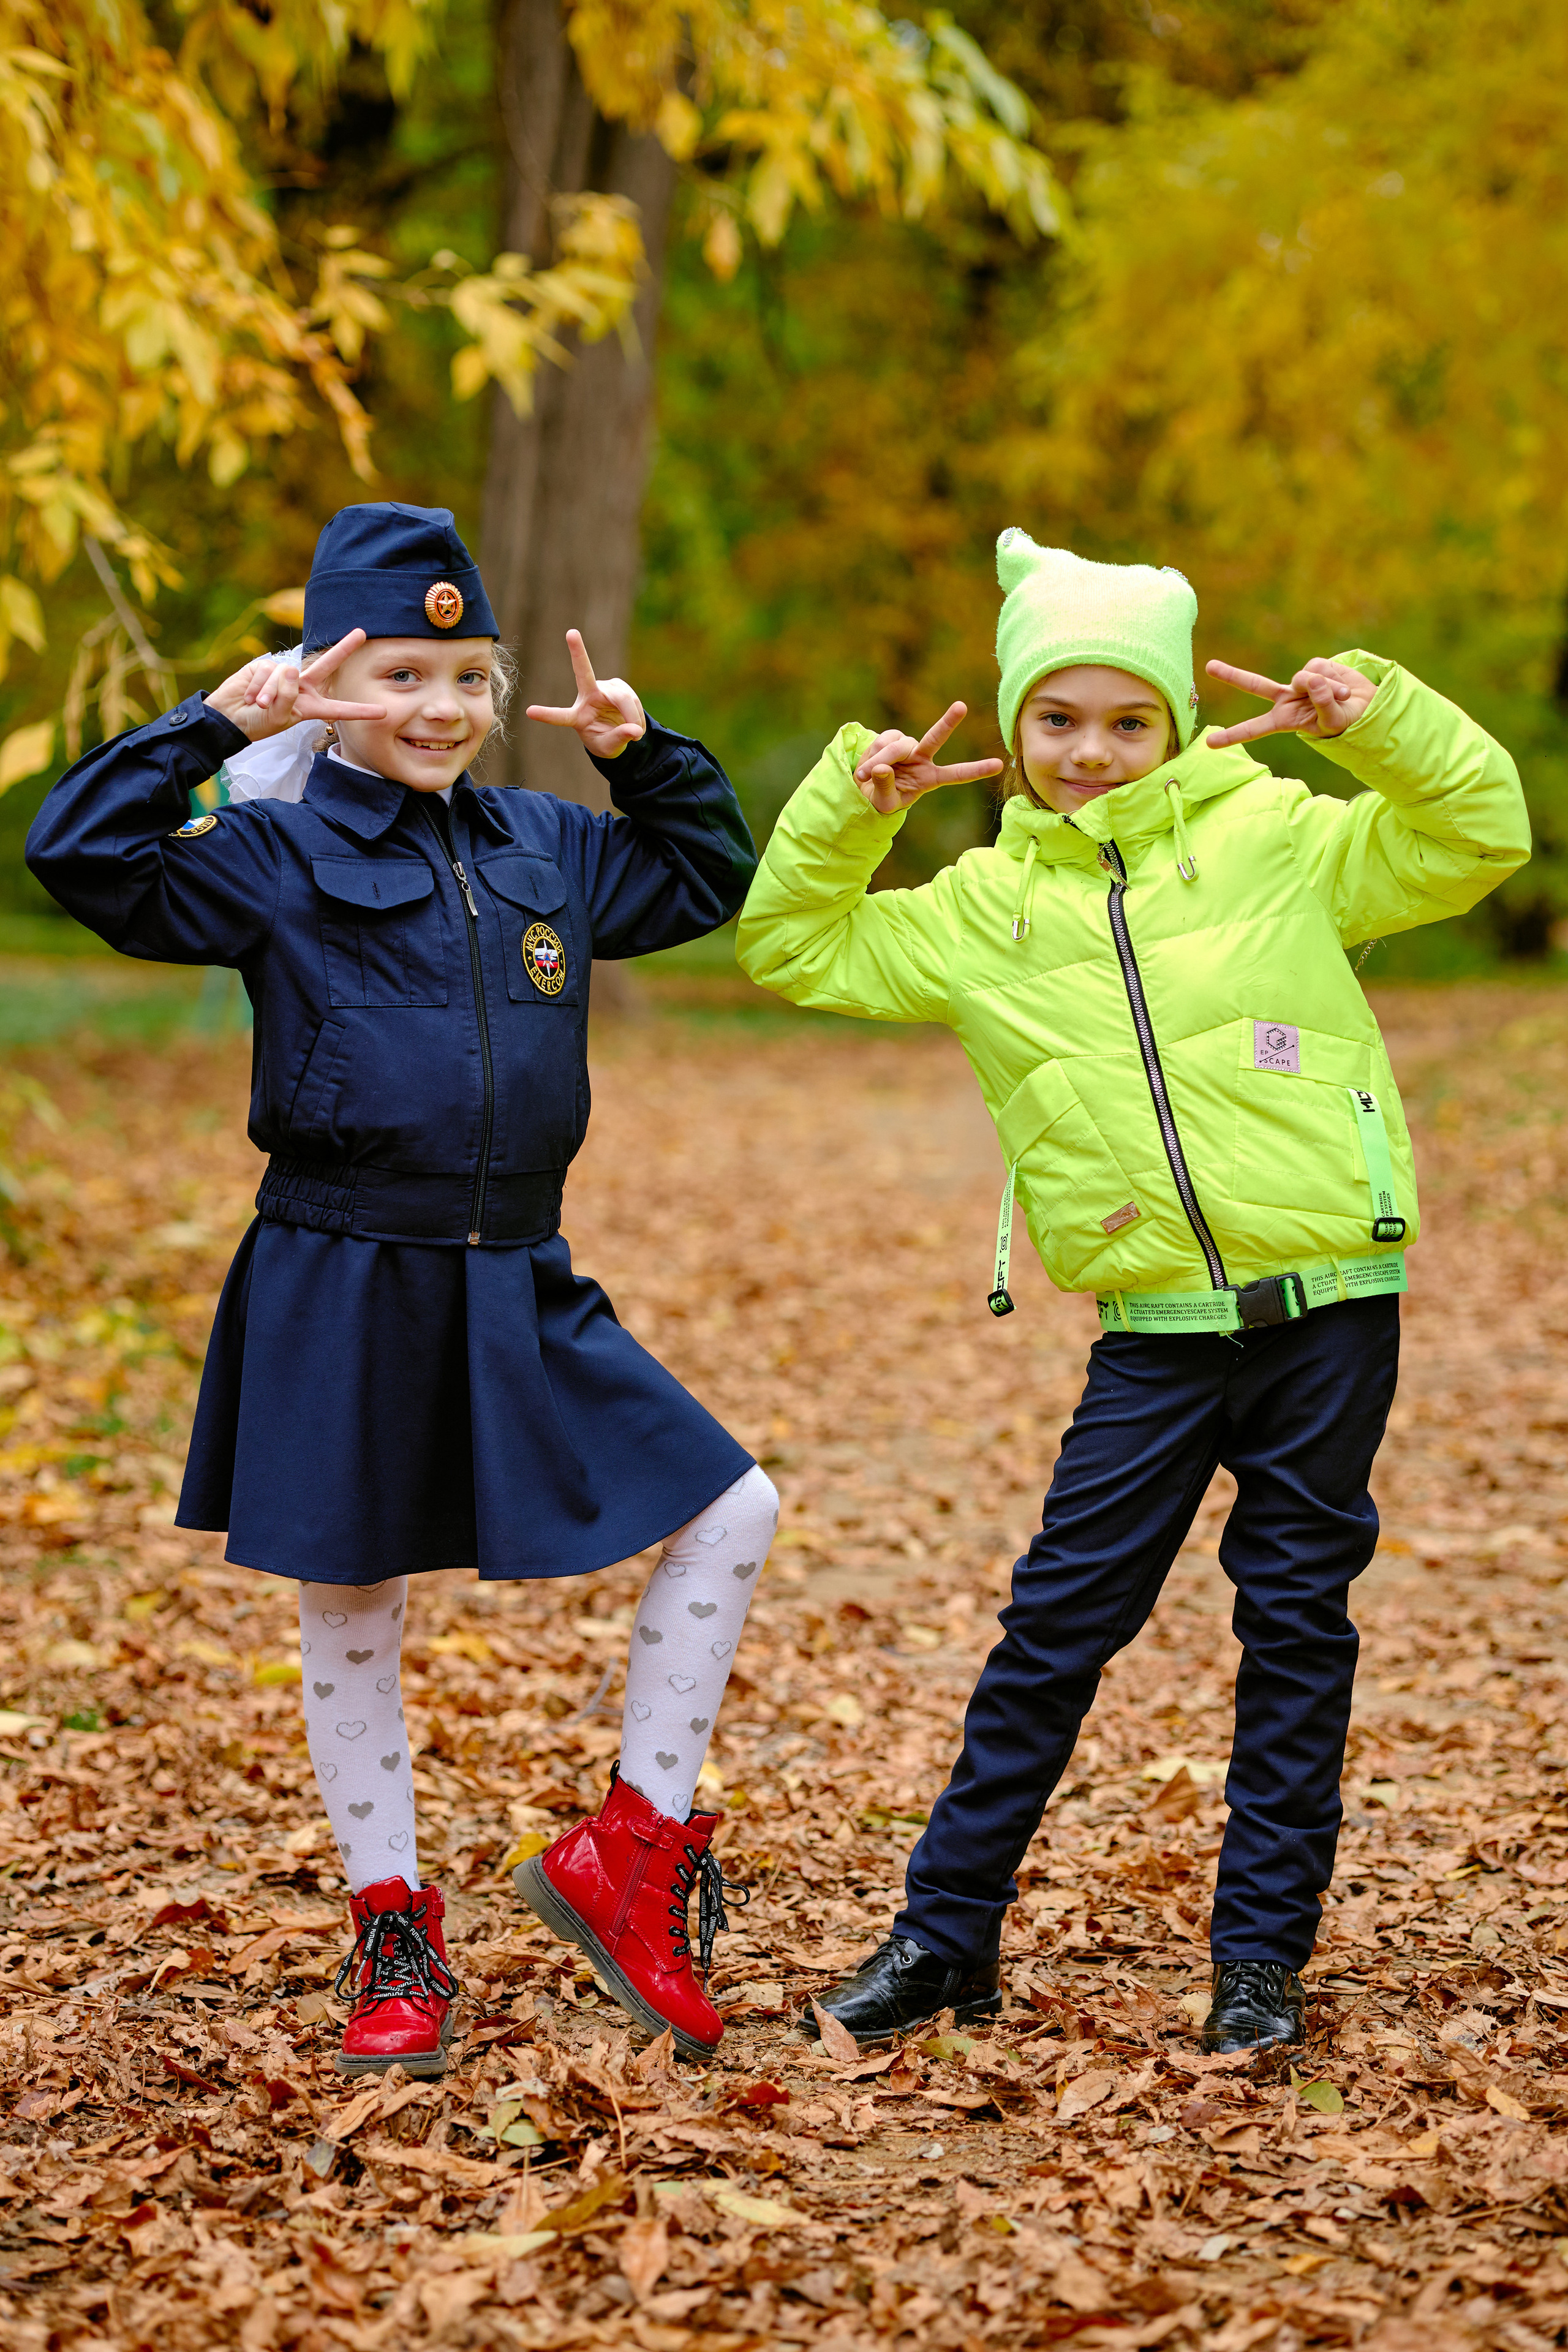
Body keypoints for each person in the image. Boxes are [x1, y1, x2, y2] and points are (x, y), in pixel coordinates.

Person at [736, 530, 1528, 2052]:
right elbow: (792, 943)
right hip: (1151, 1334)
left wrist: (1376, 725)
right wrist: (850, 808)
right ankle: (944, 1937)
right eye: (1056, 718)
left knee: (1293, 1630)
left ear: (1174, 722)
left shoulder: (1276, 837)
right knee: (1053, 1630)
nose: (1088, 751)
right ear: (1015, 724)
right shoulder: (978, 909)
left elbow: (1477, 831)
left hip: (1327, 1311)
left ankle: (1258, 1964)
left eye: (1124, 719)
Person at [26, 502, 778, 2073]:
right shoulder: (271, 852)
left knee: (733, 1508)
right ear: (328, 682)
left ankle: (629, 1854)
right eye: (401, 675)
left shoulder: (545, 844)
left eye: (467, 677)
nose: (440, 708)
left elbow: (705, 877)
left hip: (517, 1268)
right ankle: (393, 1930)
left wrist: (644, 759)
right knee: (355, 1602)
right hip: (341, 1266)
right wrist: (215, 727)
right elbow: (78, 855)